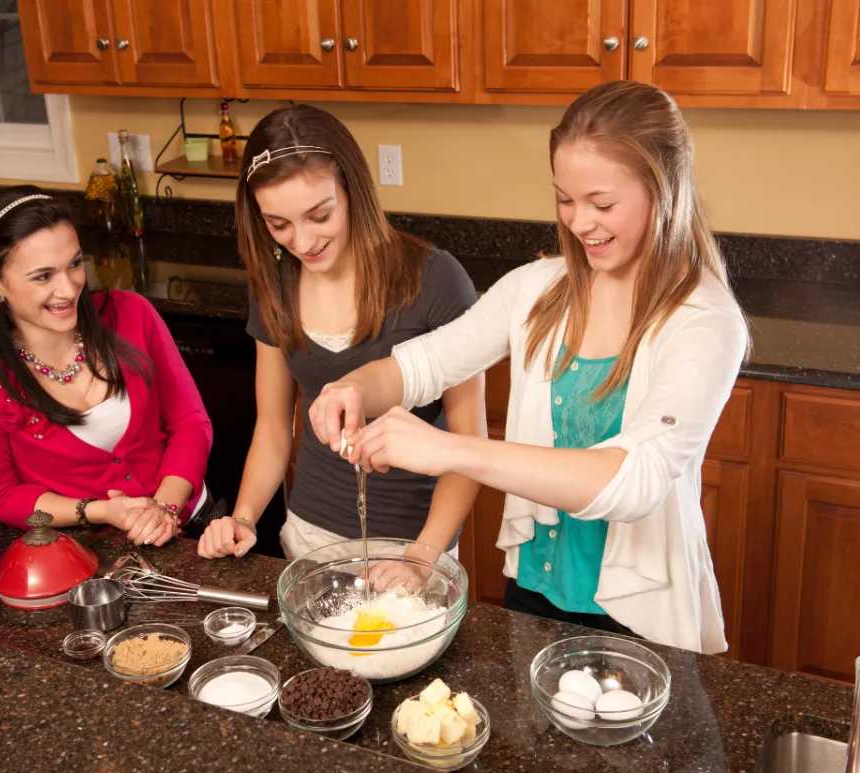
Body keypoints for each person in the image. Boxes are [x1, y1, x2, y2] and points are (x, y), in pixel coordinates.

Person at [308, 81, 748, 654]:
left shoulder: (705, 321)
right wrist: (353, 386)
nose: (579, 222)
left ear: (664, 190)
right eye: (565, 200)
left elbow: (635, 481)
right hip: (534, 595)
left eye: (602, 203)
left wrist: (453, 450)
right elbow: (426, 362)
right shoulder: (538, 290)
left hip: (641, 618)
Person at [197, 105, 486, 567]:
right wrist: (245, 519)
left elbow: (469, 444)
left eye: (319, 215)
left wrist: (424, 554)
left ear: (352, 189)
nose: (303, 240)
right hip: (311, 535)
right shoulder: (275, 284)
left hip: (417, 544)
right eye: (279, 225)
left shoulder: (435, 279)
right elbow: (274, 428)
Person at [0, 188, 216, 546]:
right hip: (88, 553)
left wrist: (164, 508)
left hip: (195, 526)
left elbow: (190, 423)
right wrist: (98, 511)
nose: (68, 289)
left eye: (74, 264)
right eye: (43, 276)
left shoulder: (130, 313)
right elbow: (1, 497)